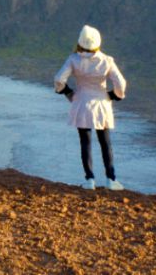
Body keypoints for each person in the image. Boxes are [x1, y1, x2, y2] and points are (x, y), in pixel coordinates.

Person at [55, 24, 127, 190]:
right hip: (101, 104)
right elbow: (121, 83)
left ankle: (90, 180)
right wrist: (114, 95)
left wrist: (67, 92)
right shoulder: (107, 61)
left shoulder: (73, 60)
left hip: (81, 103)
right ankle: (111, 179)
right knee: (105, 142)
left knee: (85, 143)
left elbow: (59, 79)